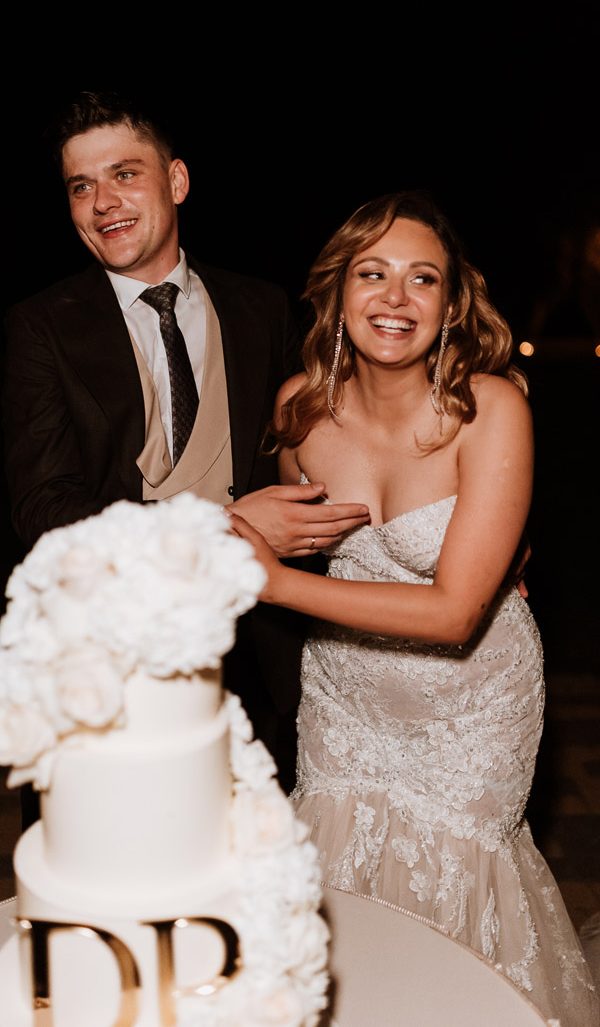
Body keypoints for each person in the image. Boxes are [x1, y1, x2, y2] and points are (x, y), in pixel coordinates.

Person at [232, 191, 599, 1025]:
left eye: (421, 278)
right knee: (338, 893)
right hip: (346, 702)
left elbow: (456, 613)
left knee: (458, 899)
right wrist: (251, 540)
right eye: (372, 273)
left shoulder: (492, 409)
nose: (395, 297)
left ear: (451, 302)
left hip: (470, 709)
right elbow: (308, 544)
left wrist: (272, 583)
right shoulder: (299, 409)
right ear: (337, 292)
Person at [1, 92, 368, 789]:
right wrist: (221, 527)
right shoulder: (42, 326)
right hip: (111, 653)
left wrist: (464, 532)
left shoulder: (260, 308)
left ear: (176, 181)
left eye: (124, 174)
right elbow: (44, 513)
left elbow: (341, 439)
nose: (102, 203)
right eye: (81, 186)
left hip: (258, 645)